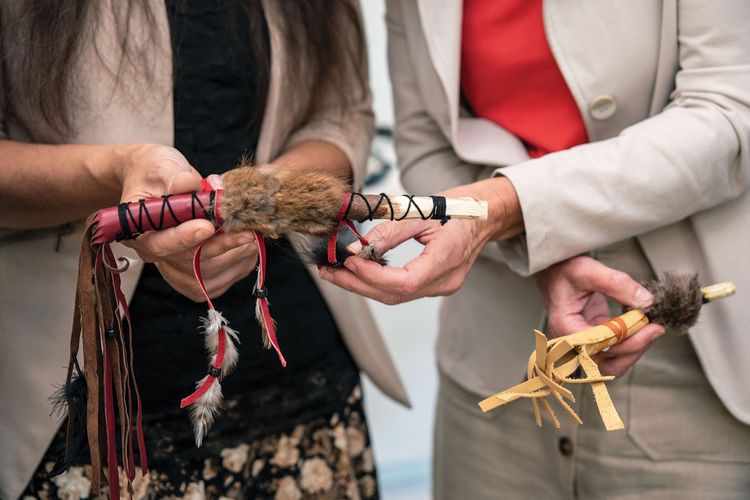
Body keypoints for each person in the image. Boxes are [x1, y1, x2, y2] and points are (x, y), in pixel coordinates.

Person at [321, 0, 750, 498]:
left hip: (686, 342)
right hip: (495, 354)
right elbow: (425, 144)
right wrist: (536, 244)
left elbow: (729, 112)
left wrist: (506, 208)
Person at [0, 1, 409, 498]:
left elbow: (341, 116)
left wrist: (267, 196)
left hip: (300, 387)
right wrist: (117, 171)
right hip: (90, 421)